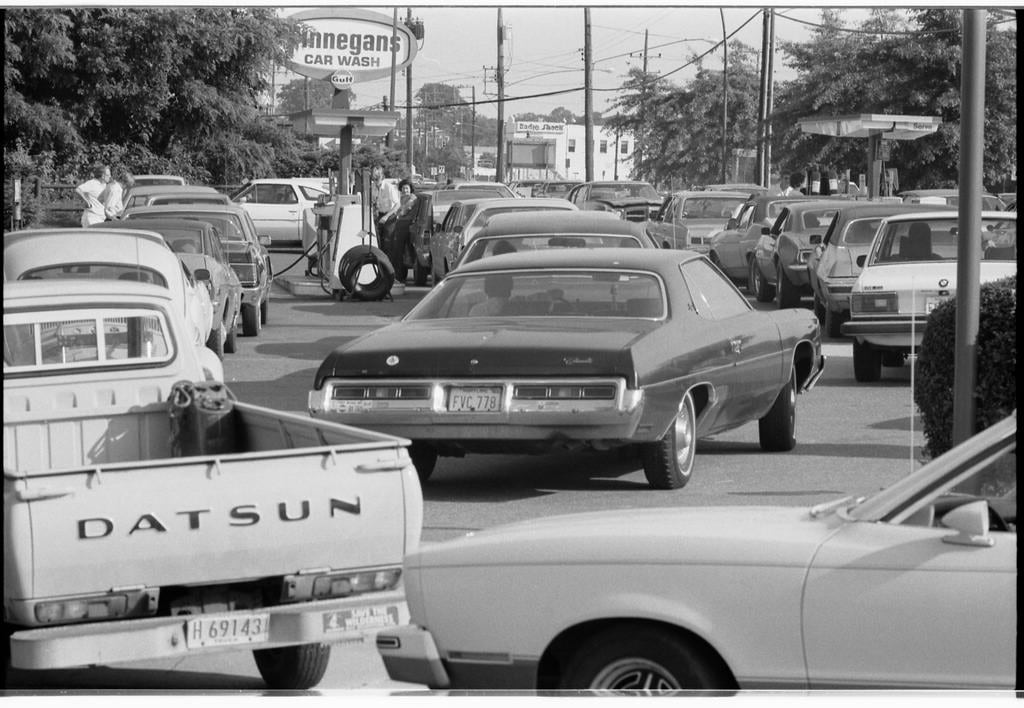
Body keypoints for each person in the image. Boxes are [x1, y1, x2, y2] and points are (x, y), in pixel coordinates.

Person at [386, 179, 418, 283]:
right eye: (403, 188)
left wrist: (398, 212)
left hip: (407, 225)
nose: (405, 190)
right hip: (399, 225)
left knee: (404, 250)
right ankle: (398, 275)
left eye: (407, 188)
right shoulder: (400, 198)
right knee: (398, 251)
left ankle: (401, 275)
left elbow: (404, 210)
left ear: (410, 189)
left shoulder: (412, 198)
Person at [372, 166, 400, 249]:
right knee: (378, 240)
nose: (375, 181)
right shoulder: (373, 187)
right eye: (374, 179)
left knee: (388, 241)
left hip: (390, 216)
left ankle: (389, 260)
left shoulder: (389, 187)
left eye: (377, 178)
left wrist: (386, 216)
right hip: (379, 215)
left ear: (382, 177)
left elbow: (398, 204)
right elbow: (373, 202)